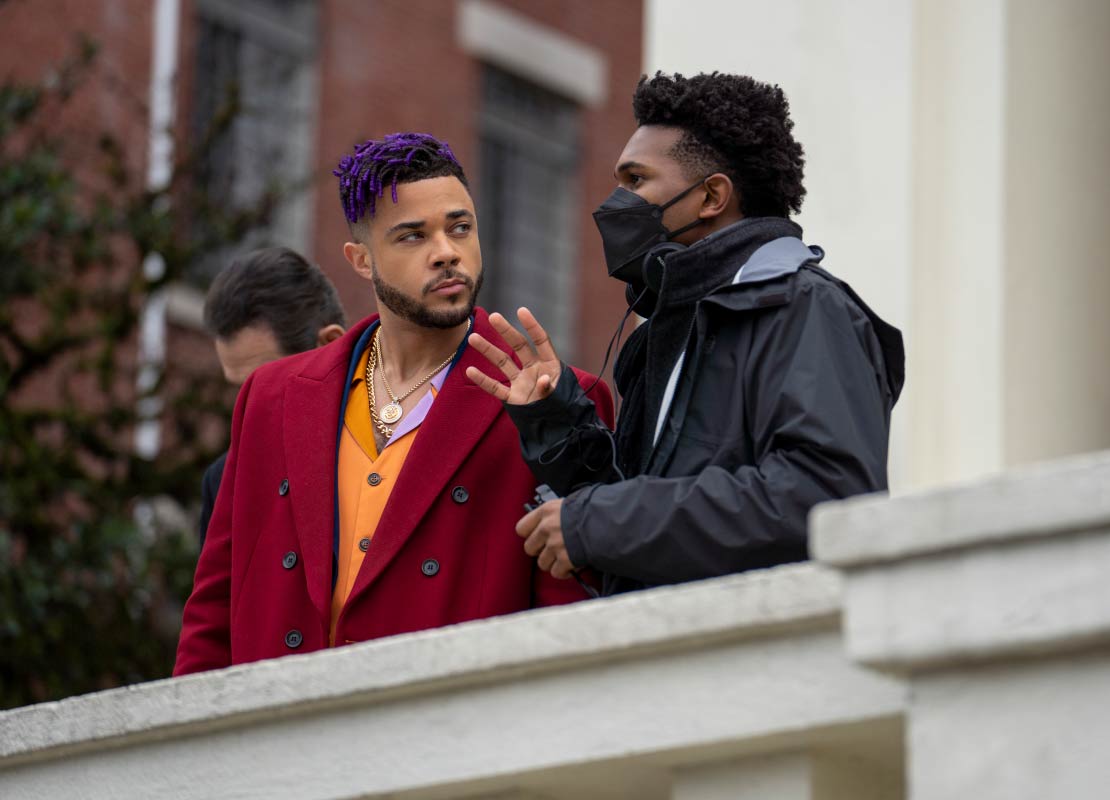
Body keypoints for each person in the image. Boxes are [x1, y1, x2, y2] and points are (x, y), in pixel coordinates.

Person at [175, 132, 613, 675]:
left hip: (445, 715)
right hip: (281, 718)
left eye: (460, 228)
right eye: (412, 236)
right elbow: (213, 608)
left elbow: (572, 619)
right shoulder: (273, 395)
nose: (446, 252)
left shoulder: (554, 399)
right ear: (361, 260)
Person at [466, 72, 905, 596]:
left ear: (711, 196)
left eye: (636, 180)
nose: (615, 201)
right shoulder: (664, 331)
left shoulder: (804, 307)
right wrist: (555, 421)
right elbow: (647, 530)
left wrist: (603, 522)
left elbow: (826, 499)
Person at [198, 247, 347, 546]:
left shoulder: (394, 452)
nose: (248, 406)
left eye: (264, 385)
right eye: (240, 389)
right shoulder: (225, 481)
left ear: (330, 346)